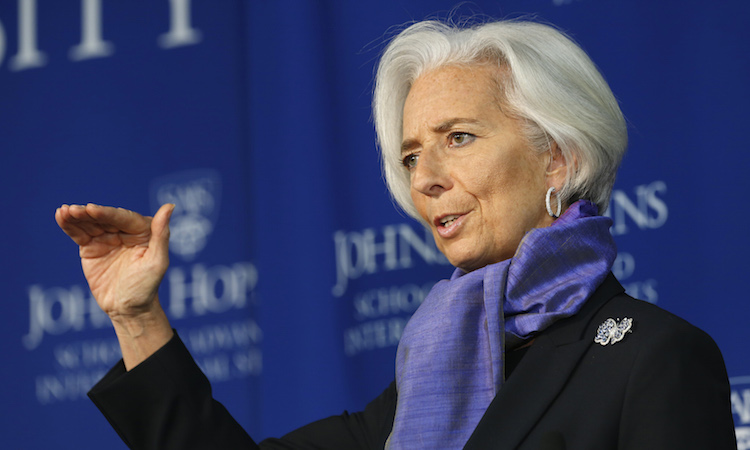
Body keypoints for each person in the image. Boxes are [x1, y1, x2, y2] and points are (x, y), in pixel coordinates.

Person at [56, 18, 736, 449]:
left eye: (459, 139)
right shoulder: (436, 368)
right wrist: (137, 316)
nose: (425, 178)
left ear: (556, 156)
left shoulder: (655, 358)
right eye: (411, 156)